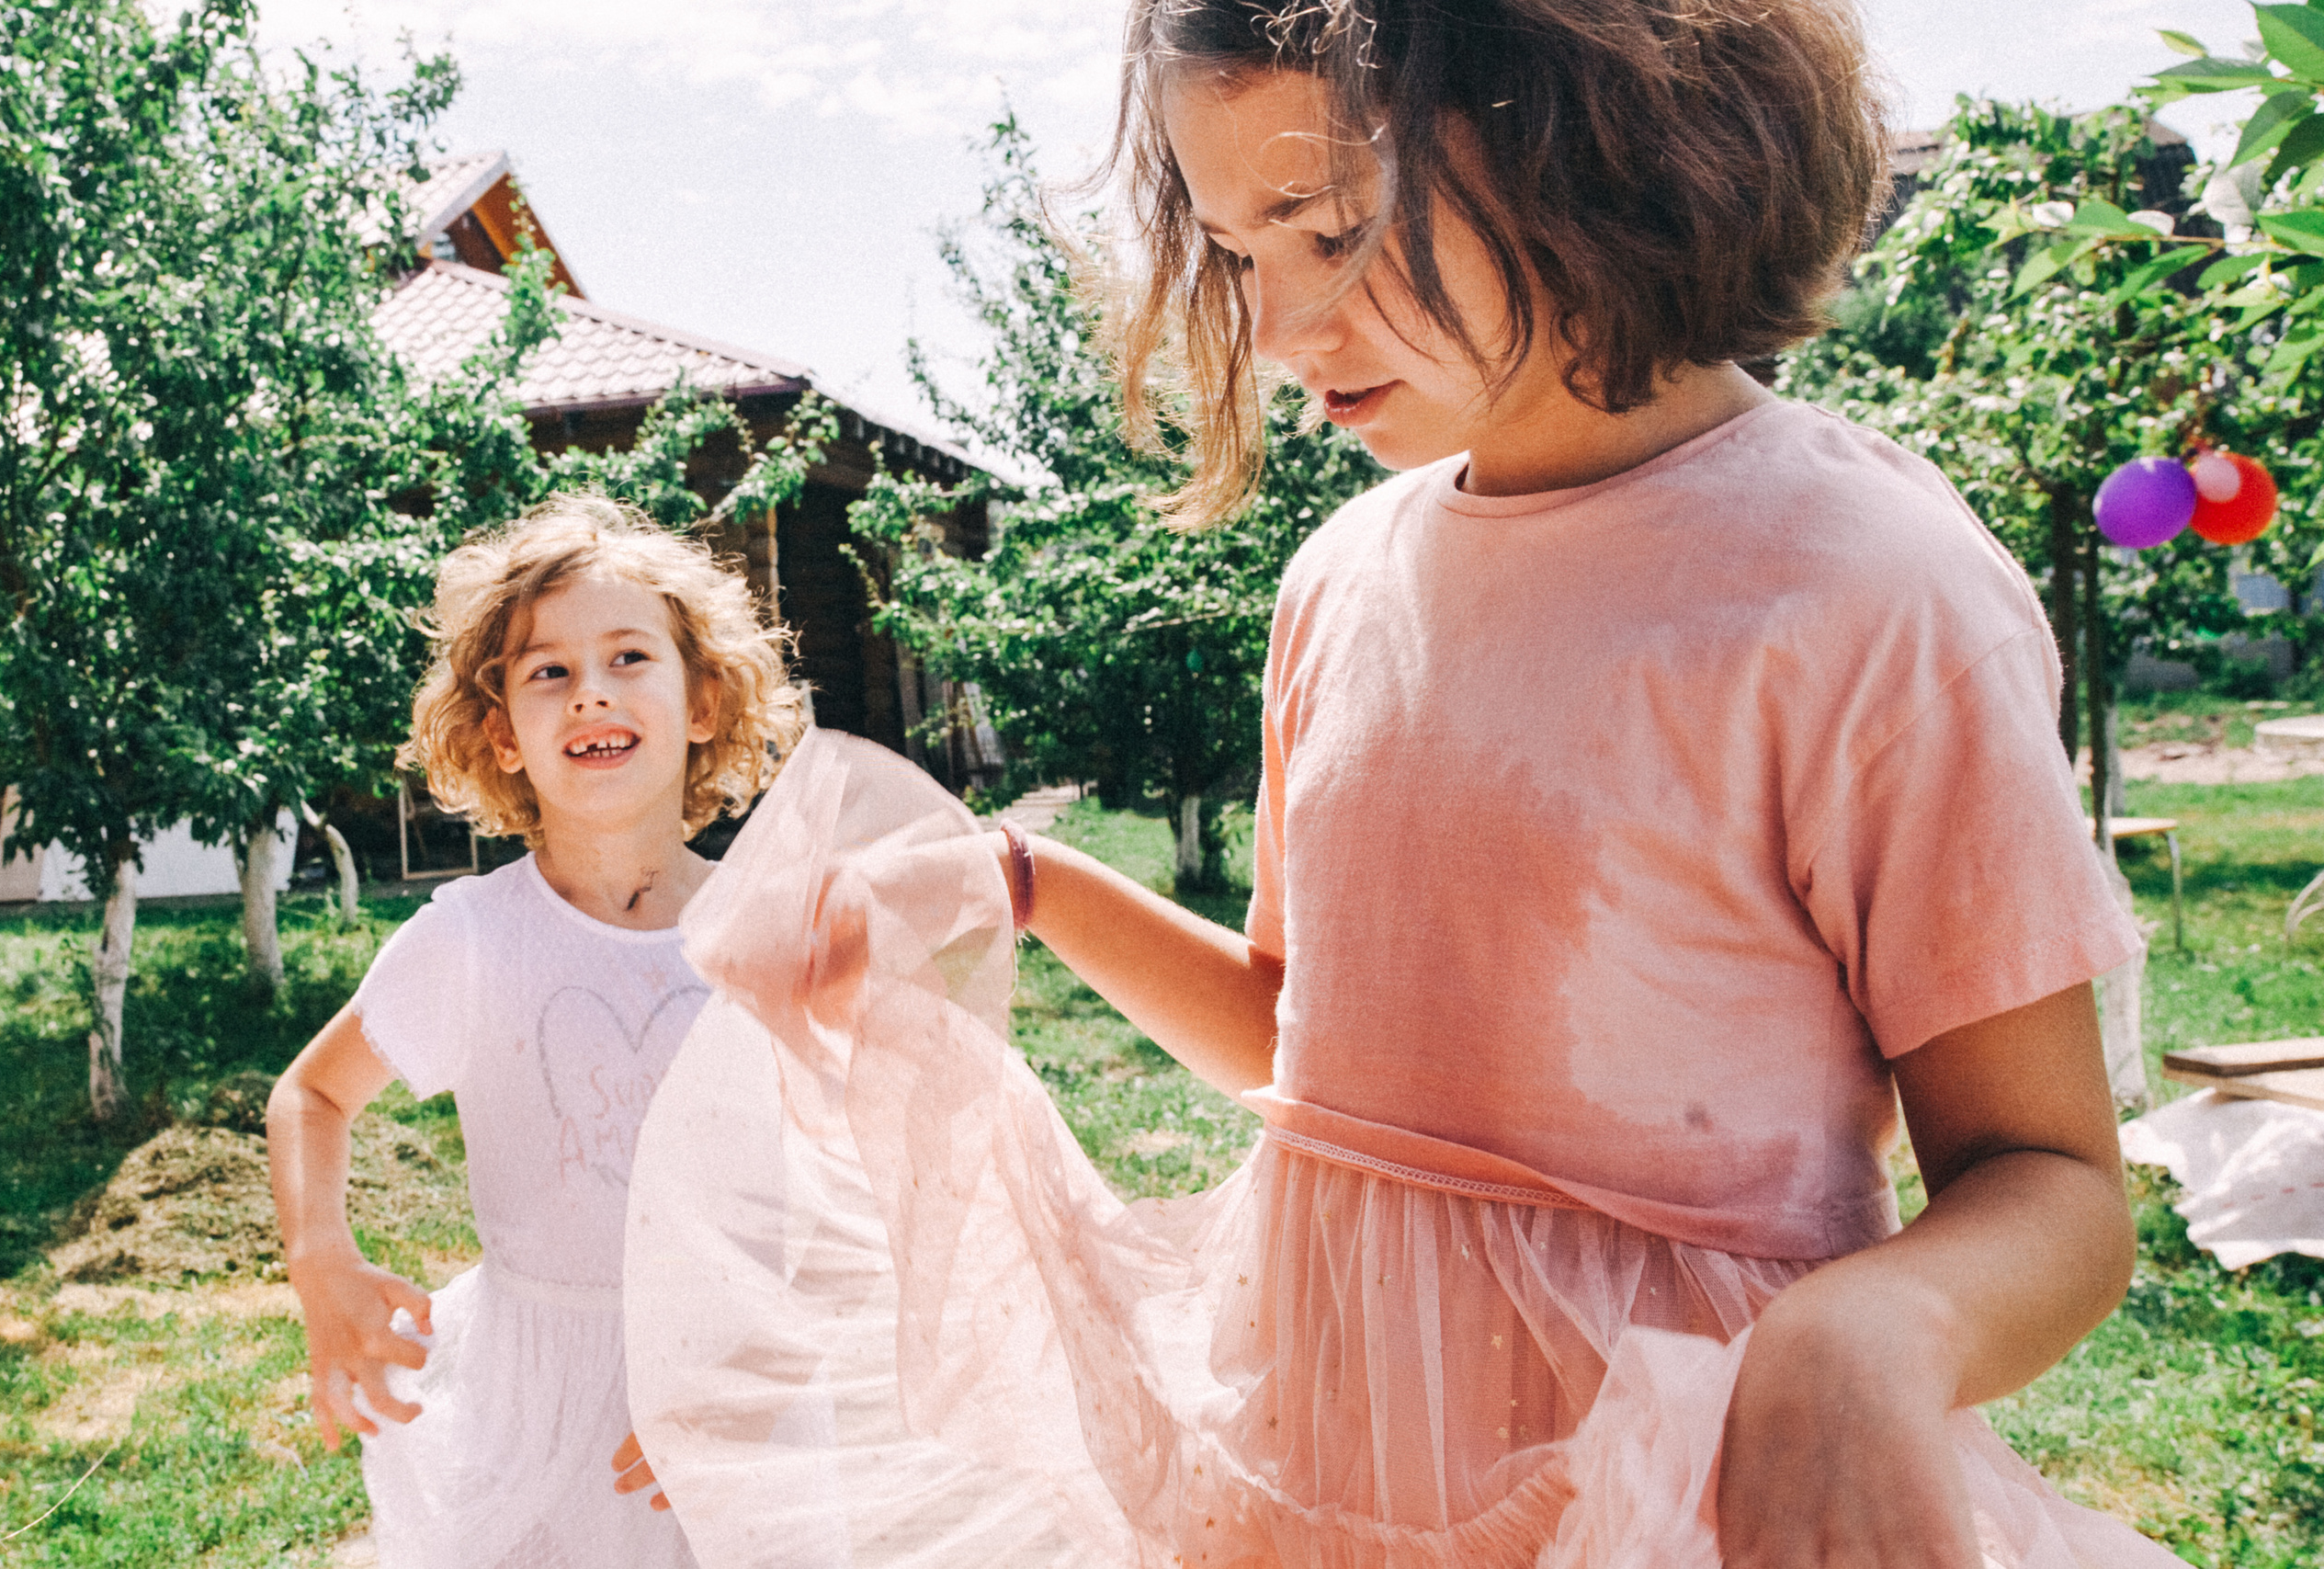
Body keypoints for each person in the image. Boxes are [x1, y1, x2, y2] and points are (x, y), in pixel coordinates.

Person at [625, 0, 2188, 1563]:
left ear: (1594, 146)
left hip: (1669, 1491)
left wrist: (1873, 1333)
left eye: (1330, 230)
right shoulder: (1339, 581)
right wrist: (1024, 886)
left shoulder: (1866, 589)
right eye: (1240, 256)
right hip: (1322, 1467)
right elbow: (1312, 1053)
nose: (1282, 327)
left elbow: (2050, 1180)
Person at [266, 496, 804, 1569]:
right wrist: (317, 1253)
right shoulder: (471, 940)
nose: (590, 688)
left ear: (703, 701)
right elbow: (312, 1096)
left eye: (628, 656)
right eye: (547, 672)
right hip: (533, 1399)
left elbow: (855, 1168)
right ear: (502, 733)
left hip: (736, 1382)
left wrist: (764, 1352)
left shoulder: (773, 931)